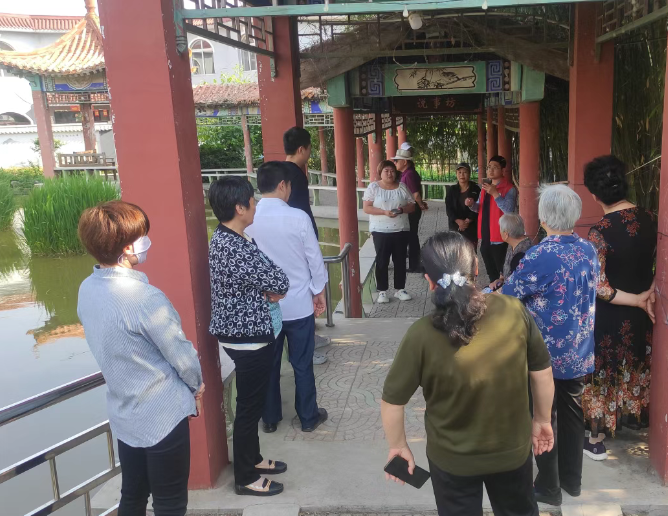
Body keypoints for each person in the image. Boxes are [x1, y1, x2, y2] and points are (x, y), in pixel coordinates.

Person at [381, 231, 555, 516]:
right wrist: (543, 420)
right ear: (476, 267)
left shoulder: (420, 335)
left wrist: (398, 446)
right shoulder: (514, 311)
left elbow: (392, 401)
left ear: (429, 281)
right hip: (511, 452)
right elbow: (542, 372)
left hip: (452, 461)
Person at [77, 200, 205, 516]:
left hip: (124, 412)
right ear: (127, 247)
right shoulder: (145, 298)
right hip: (163, 414)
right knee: (170, 503)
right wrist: (197, 387)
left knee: (133, 496)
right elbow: (182, 356)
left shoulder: (87, 290)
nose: (146, 241)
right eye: (142, 236)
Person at [501, 184, 599, 507]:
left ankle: (549, 485)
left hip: (545, 354)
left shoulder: (540, 255)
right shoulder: (588, 250)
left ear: (543, 217)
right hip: (579, 349)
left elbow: (510, 295)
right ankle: (572, 480)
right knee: (572, 413)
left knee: (544, 416)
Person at [208, 177, 290, 496]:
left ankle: (253, 459)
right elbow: (279, 281)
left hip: (247, 332)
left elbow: (271, 277)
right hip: (248, 336)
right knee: (248, 408)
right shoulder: (233, 247)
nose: (255, 206)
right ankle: (245, 477)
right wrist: (271, 289)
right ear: (239, 208)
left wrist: (269, 288)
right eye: (252, 202)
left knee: (251, 404)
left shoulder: (233, 238)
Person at [581, 156, 657, 460]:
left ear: (594, 194)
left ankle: (596, 438)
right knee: (637, 360)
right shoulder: (651, 218)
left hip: (612, 315)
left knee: (606, 368)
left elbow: (600, 288)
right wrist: (647, 294)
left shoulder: (599, 231)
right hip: (645, 310)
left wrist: (636, 298)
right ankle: (635, 416)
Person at [247, 161, 329, 434]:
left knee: (269, 364)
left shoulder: (249, 218)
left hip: (266, 306)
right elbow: (314, 259)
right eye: (290, 185)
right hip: (298, 305)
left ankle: (270, 419)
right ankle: (308, 417)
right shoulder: (298, 217)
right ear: (282, 185)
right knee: (302, 363)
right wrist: (318, 291)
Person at [283, 126, 328, 365]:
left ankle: (310, 337)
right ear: (302, 149)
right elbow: (300, 212)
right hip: (299, 241)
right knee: (305, 291)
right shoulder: (295, 175)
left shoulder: (282, 171)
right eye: (310, 149)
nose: (310, 153)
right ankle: (305, 349)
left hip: (291, 241)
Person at [363, 160, 416, 304]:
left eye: (392, 171)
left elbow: (412, 205)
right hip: (380, 230)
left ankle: (400, 289)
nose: (389, 173)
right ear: (380, 173)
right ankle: (382, 291)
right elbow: (367, 207)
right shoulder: (374, 187)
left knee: (400, 260)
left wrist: (402, 210)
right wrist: (384, 212)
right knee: (382, 260)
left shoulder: (402, 187)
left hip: (401, 229)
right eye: (386, 171)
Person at [465, 156, 517, 283]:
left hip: (500, 236)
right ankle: (494, 288)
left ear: (503, 170)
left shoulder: (509, 188)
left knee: (503, 270)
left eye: (495, 167)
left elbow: (509, 210)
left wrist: (495, 194)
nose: (491, 170)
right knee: (490, 270)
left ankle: (504, 291)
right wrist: (471, 205)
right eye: (489, 167)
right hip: (485, 234)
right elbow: (479, 208)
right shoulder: (485, 188)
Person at [394, 142, 428, 272]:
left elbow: (415, 194)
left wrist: (421, 205)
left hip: (412, 209)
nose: (395, 163)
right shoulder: (406, 174)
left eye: (397, 160)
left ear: (404, 162)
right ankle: (414, 262)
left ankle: (415, 264)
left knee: (412, 237)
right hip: (411, 209)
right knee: (411, 236)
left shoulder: (408, 174)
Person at [489, 213, 533, 291]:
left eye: (500, 229)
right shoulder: (512, 243)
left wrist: (496, 293)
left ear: (506, 234)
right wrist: (500, 279)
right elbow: (506, 269)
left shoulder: (522, 253)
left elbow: (516, 286)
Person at [445, 162, 480, 248]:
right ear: (456, 174)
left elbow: (479, 206)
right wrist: (458, 221)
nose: (462, 175)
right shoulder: (452, 190)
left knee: (470, 251)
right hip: (455, 226)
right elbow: (449, 208)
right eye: (459, 172)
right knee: (456, 251)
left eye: (465, 172)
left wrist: (468, 220)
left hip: (471, 227)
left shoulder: (476, 189)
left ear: (469, 174)